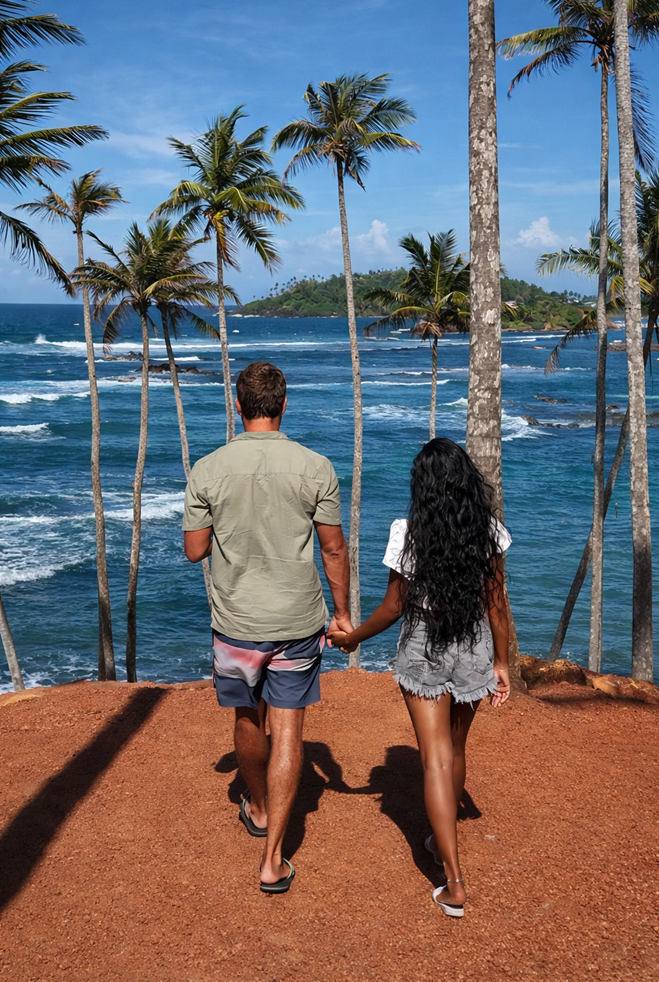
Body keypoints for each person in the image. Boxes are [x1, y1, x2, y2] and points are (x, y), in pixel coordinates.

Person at [183, 361, 352, 894]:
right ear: (283, 405)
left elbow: (194, 551)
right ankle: (273, 859)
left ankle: (256, 806)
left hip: (236, 621)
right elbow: (333, 547)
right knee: (290, 727)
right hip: (298, 620)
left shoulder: (207, 469)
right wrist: (342, 611)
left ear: (239, 405)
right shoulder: (315, 466)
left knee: (246, 716)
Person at [328, 437, 511, 918]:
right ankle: (439, 839)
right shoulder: (489, 531)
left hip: (424, 648)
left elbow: (394, 607)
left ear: (422, 487)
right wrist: (503, 665)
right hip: (474, 647)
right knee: (455, 752)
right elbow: (497, 607)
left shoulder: (408, 533)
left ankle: (453, 882)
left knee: (432, 760)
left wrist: (352, 639)